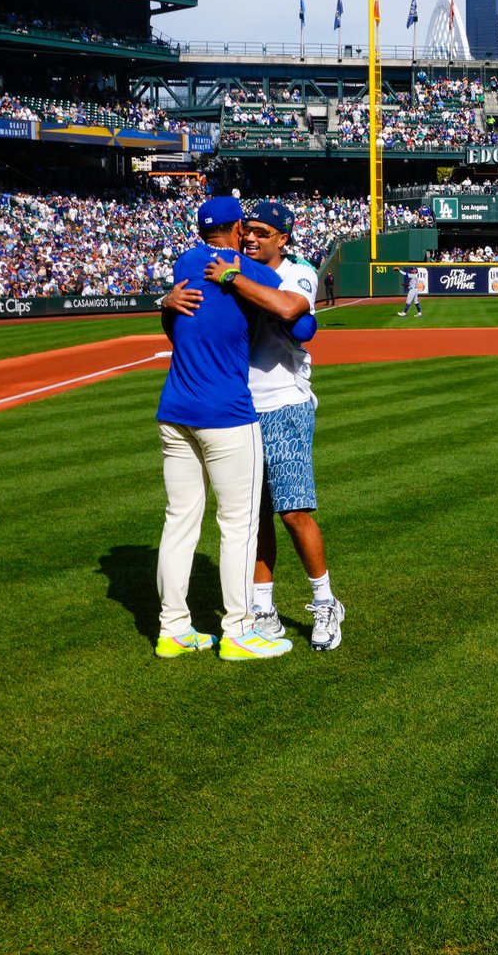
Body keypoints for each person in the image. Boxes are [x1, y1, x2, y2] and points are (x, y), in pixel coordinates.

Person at [197, 201, 345, 652]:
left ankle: (324, 602)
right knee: (255, 515)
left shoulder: (297, 269)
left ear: (283, 238)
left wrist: (232, 278)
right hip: (242, 408)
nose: (252, 238)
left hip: (285, 402)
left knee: (293, 511)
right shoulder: (234, 267)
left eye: (263, 232)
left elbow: (288, 308)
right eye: (249, 231)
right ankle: (264, 607)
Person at [155, 196, 293, 662]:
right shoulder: (241, 265)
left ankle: (173, 629)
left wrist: (164, 300)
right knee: (239, 526)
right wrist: (238, 271)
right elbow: (290, 306)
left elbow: (176, 328)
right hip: (227, 414)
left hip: (175, 409)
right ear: (236, 228)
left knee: (179, 523)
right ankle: (238, 631)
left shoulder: (184, 263)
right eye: (246, 229)